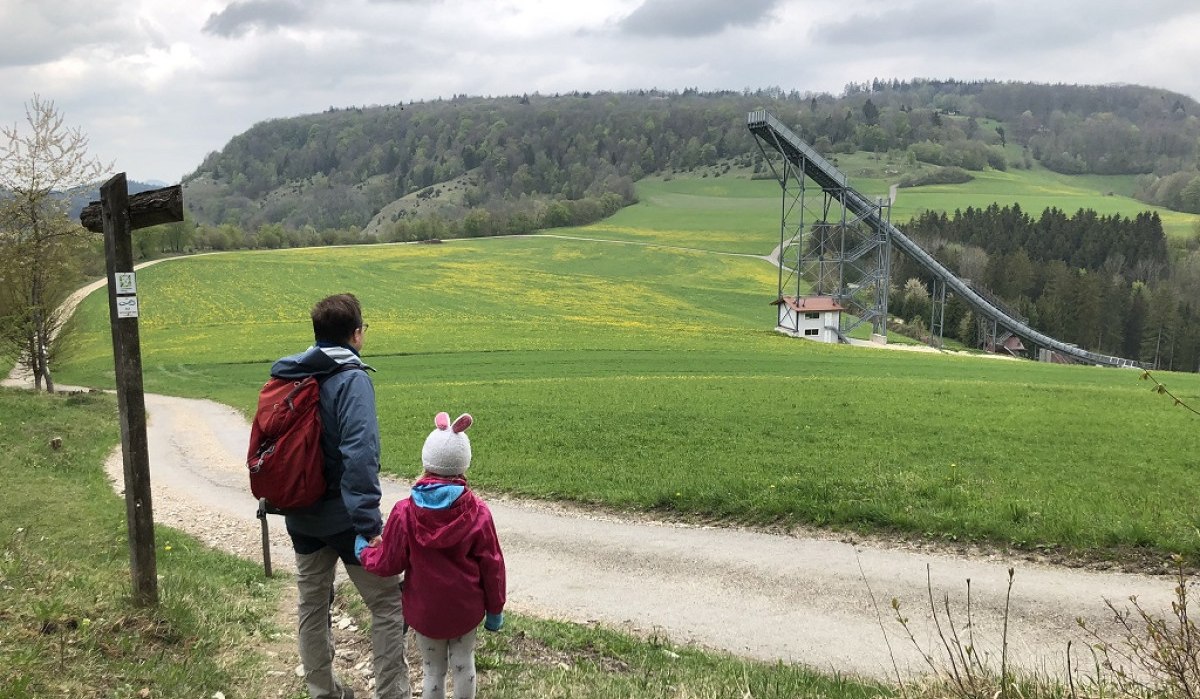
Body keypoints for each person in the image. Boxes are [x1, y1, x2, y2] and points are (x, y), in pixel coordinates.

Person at [271, 293, 410, 699]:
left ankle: (322, 691)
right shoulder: (352, 379)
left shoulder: (290, 376)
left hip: (300, 514)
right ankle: (392, 693)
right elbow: (360, 454)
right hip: (348, 520)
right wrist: (369, 524)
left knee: (312, 604)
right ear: (357, 334)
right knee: (387, 605)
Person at [356, 411, 506, 699]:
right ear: (463, 464)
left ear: (427, 462)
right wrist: (495, 609)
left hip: (424, 610)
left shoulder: (404, 512)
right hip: (465, 608)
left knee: (432, 671)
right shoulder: (479, 513)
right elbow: (493, 566)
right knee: (464, 664)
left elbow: (390, 562)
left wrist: (364, 552)